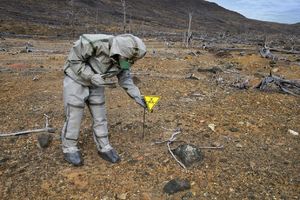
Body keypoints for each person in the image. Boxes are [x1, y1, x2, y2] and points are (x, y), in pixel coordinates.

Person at [62, 34, 147, 166]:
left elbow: (125, 78)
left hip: (97, 83)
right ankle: (69, 148)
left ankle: (104, 147)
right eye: (128, 59)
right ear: (119, 51)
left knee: (100, 115)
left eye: (132, 60)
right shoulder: (95, 43)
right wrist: (90, 76)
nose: (129, 63)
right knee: (74, 114)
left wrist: (138, 96)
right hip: (76, 79)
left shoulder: (125, 58)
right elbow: (74, 60)